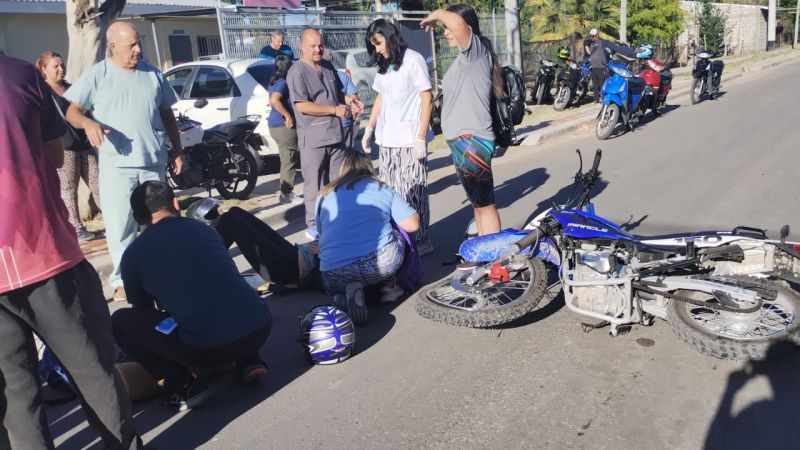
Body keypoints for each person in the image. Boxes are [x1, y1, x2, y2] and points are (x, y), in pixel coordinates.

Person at [0, 53, 141, 450]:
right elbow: (56, 155)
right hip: (44, 252)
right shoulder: (21, 75)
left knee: (16, 393)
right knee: (91, 369)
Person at [111, 181, 272, 411]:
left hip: (207, 348)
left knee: (121, 322)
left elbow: (143, 312)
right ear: (175, 203)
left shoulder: (133, 255)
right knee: (223, 294)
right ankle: (249, 360)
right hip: (260, 327)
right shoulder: (205, 230)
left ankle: (185, 386)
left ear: (137, 218)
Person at [64, 21, 185, 302]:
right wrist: (88, 124)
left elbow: (166, 113)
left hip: (152, 160)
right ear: (113, 46)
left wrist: (177, 150)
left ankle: (164, 273)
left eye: (138, 42)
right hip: (117, 165)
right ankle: (123, 279)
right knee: (121, 226)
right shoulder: (98, 74)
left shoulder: (153, 74)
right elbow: (72, 112)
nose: (138, 49)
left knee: (161, 222)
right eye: (131, 45)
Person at [420, 5, 505, 236]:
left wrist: (438, 13)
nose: (446, 32)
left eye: (448, 28)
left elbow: (458, 24)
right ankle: (485, 249)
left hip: (471, 140)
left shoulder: (474, 51)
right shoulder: (466, 58)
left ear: (466, 27)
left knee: (485, 206)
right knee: (478, 205)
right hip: (463, 140)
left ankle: (495, 253)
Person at [317, 152, 420, 325]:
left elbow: (321, 233)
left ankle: (341, 297)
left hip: (333, 271)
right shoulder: (381, 188)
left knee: (338, 276)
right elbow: (413, 225)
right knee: (397, 232)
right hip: (379, 263)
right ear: (369, 167)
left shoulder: (324, 194)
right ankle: (389, 286)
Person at [362, 18, 434, 255]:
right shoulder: (384, 65)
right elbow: (380, 98)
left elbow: (427, 99)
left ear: (390, 37)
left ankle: (421, 240)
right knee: (391, 192)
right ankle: (399, 239)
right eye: (373, 45)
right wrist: (369, 129)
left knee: (413, 191)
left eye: (379, 43)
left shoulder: (413, 59)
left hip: (410, 139)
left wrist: (421, 137)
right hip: (387, 140)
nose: (377, 49)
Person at [286, 28, 364, 241]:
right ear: (302, 47)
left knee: (337, 182)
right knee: (314, 184)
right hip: (313, 139)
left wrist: (351, 102)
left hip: (337, 135)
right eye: (313, 46)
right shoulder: (297, 72)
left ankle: (336, 221)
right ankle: (314, 226)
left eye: (320, 45)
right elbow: (302, 105)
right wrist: (334, 110)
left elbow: (337, 94)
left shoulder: (328, 66)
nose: (318, 49)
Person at [36, 50, 102, 243]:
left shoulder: (72, 88)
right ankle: (76, 228)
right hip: (64, 146)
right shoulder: (43, 92)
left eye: (62, 65)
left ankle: (114, 217)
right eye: (55, 66)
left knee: (98, 183)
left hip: (84, 143)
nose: (60, 69)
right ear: (44, 69)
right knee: (68, 189)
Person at [267, 54, 303, 205]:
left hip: (274, 125)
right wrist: (288, 116)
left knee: (285, 158)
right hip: (283, 127)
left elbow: (270, 101)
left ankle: (285, 191)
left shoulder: (273, 81)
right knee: (289, 159)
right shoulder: (283, 82)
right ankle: (286, 193)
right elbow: (274, 100)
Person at [586, 28, 608, 104]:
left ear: (597, 35)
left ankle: (603, 99)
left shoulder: (601, 43)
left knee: (602, 84)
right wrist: (586, 46)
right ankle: (596, 100)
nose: (591, 38)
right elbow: (591, 54)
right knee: (595, 85)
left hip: (601, 67)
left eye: (593, 36)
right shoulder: (591, 45)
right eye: (590, 36)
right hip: (594, 67)